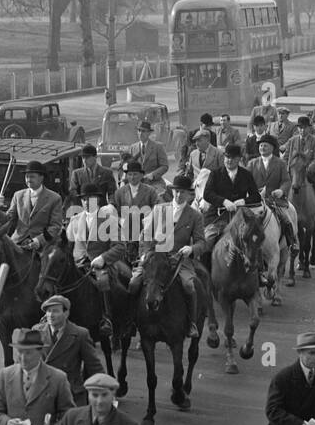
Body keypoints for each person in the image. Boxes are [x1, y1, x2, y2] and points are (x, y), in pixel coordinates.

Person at [127, 173, 205, 338]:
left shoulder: (195, 216)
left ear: (189, 194)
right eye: (176, 191)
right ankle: (131, 320)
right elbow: (145, 235)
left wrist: (190, 249)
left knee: (189, 286)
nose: (178, 195)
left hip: (179, 260)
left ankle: (191, 323)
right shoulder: (159, 209)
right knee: (134, 283)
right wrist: (146, 254)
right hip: (155, 258)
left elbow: (201, 242)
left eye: (182, 192)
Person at [70, 184, 130, 337]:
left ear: (96, 200)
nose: (86, 202)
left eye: (89, 199)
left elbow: (120, 246)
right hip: (78, 263)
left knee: (103, 282)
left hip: (100, 264)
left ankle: (106, 318)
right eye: (83, 199)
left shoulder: (109, 220)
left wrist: (103, 258)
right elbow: (68, 244)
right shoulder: (75, 219)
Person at [37, 294, 104, 406]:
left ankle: (105, 316)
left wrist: (105, 390)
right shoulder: (36, 331)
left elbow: (94, 366)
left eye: (55, 311)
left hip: (70, 395)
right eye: (48, 311)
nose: (50, 315)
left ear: (66, 313)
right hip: (41, 393)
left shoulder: (80, 335)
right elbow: (25, 362)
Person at [201, 143, 262, 253]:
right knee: (207, 240)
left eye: (233, 158)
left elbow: (256, 196)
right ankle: (204, 269)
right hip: (217, 217)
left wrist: (243, 201)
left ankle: (257, 268)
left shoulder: (246, 175)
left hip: (240, 217)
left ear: (239, 159)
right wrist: (223, 201)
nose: (229, 160)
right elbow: (207, 194)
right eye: (227, 157)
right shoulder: (215, 174)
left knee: (256, 239)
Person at [0, 160, 63, 251]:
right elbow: (8, 220)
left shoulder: (55, 198)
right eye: (26, 177)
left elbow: (55, 227)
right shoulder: (18, 195)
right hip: (18, 243)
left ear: (41, 178)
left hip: (42, 247)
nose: (28, 179)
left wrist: (38, 241)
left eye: (32, 177)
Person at [248, 134, 298, 253]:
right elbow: (245, 181)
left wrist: (281, 190)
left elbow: (286, 181)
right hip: (255, 201)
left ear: (272, 148)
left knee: (286, 218)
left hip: (274, 200)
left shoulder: (280, 163)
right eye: (260, 145)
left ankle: (292, 242)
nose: (262, 148)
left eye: (265, 145)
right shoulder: (252, 163)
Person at [281, 115, 315, 221]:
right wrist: (286, 169)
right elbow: (285, 157)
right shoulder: (292, 140)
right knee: (280, 189)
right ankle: (280, 212)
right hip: (293, 172)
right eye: (300, 127)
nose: (302, 130)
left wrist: (308, 169)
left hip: (310, 172)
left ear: (309, 128)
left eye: (304, 128)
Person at [125, 120, 169, 189]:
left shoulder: (158, 147)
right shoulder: (133, 148)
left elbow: (164, 166)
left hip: (154, 182)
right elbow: (127, 167)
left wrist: (152, 175)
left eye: (143, 131)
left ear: (149, 133)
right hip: (136, 183)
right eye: (139, 131)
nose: (140, 133)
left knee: (158, 195)